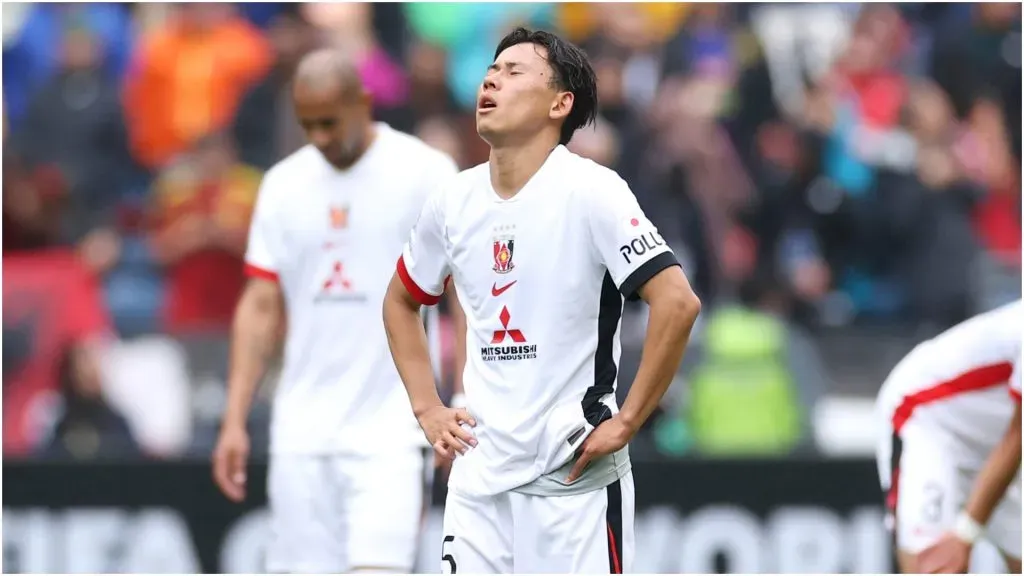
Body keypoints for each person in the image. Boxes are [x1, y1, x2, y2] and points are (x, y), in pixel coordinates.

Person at [383, 28, 702, 573]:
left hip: (571, 486)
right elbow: (399, 302)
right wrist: (427, 408)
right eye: (491, 71)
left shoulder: (592, 190)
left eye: (513, 72)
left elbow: (678, 302)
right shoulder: (452, 201)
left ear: (560, 104)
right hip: (478, 487)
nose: (491, 81)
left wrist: (627, 420)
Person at [211, 49, 464, 574]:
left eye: (329, 122)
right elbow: (259, 306)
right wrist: (234, 419)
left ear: (362, 102)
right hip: (301, 432)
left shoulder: (424, 172)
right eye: (308, 125)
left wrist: (460, 397)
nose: (319, 137)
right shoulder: (282, 185)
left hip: (394, 431)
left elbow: (464, 296)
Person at [875, 300, 1022, 574]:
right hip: (928, 420)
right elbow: (1018, 435)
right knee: (935, 565)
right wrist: (967, 532)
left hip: (999, 440)